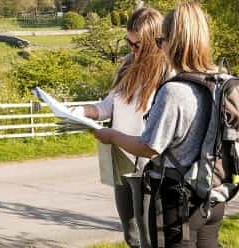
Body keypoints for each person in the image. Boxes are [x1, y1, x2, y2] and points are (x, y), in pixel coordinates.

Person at [93, 2, 225, 248]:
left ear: (171, 42)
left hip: (179, 194)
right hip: (211, 191)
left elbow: (150, 147)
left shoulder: (173, 89)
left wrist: (111, 135)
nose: (159, 45)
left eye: (161, 40)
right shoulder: (218, 79)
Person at [72, 7, 168, 248]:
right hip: (121, 161)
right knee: (131, 234)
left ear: (155, 42)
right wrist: (81, 111)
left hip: (148, 165)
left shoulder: (166, 72)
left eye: (138, 45)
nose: (132, 50)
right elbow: (107, 106)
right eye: (129, 42)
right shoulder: (127, 64)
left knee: (149, 236)